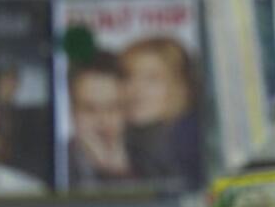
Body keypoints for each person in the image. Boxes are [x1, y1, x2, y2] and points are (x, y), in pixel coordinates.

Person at [120, 37, 202, 189]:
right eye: (128, 77)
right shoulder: (139, 139)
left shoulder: (188, 138)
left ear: (181, 87)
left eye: (152, 79)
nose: (135, 90)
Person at [67, 52, 133, 186]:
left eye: (113, 107)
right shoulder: (54, 162)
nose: (103, 121)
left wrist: (119, 173)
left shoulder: (147, 161)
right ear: (71, 110)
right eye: (89, 109)